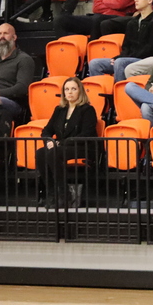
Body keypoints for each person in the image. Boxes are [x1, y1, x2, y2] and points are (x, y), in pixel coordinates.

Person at [36, 77, 98, 208]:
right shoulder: (59, 110)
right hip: (62, 147)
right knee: (41, 153)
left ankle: (65, 194)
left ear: (80, 91)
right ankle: (52, 193)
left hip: (82, 146)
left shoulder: (87, 110)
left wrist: (60, 143)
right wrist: (49, 141)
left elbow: (86, 134)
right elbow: (47, 130)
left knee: (54, 153)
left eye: (73, 89)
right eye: (67, 89)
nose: (69, 92)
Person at [0, 23, 35, 125]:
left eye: (5, 33)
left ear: (14, 37)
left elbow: (21, 88)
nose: (2, 37)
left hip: (11, 102)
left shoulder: (24, 59)